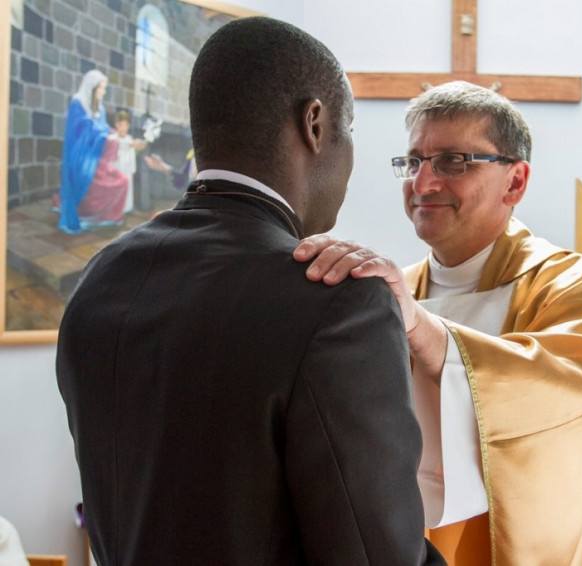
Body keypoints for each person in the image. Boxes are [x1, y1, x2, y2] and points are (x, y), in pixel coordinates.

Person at [56, 17, 444, 566]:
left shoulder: (100, 280)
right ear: (315, 124)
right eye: (350, 128)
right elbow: (378, 555)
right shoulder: (338, 303)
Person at [296, 81, 582, 565]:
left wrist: (423, 330)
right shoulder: (390, 291)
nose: (423, 184)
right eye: (414, 161)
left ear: (515, 182)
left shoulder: (574, 286)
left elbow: (566, 399)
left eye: (453, 162)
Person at [57, 69, 129, 233]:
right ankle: (87, 215)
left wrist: (111, 134)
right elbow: (80, 131)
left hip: (96, 156)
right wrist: (104, 134)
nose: (103, 92)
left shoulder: (99, 108)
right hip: (80, 157)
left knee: (121, 180)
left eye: (104, 88)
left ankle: (105, 216)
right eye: (101, 88)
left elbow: (102, 128)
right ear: (92, 88)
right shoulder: (77, 104)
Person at [110, 109, 146, 213]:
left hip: (127, 173)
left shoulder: (130, 139)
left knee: (126, 201)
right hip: (115, 173)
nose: (123, 128)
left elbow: (132, 156)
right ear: (116, 125)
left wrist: (132, 171)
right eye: (121, 125)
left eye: (125, 125)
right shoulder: (112, 139)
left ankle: (126, 211)